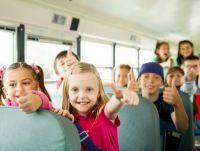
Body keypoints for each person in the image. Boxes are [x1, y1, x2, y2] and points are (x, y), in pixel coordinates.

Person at [54, 62, 139, 151]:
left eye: (89, 89)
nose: (82, 95)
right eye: (75, 89)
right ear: (68, 93)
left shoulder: (104, 113)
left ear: (98, 92)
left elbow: (112, 108)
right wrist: (62, 121)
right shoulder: (68, 119)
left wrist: (120, 97)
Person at [138, 62, 188, 135]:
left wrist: (178, 103)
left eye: (156, 77)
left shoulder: (167, 100)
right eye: (146, 76)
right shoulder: (134, 100)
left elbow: (182, 128)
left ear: (162, 82)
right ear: (139, 81)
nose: (151, 81)